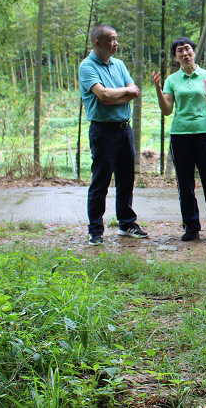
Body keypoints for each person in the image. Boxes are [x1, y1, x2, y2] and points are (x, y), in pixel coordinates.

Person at [151, 37, 206, 242]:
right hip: (180, 135)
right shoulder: (172, 80)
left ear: (194, 52)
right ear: (176, 57)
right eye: (180, 51)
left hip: (204, 134)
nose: (185, 53)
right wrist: (158, 89)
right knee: (185, 183)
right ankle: (191, 227)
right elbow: (167, 110)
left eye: (187, 49)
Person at [79, 24, 147, 246]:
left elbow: (132, 93)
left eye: (116, 39)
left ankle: (126, 224)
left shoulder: (119, 64)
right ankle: (95, 230)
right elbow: (104, 94)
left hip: (124, 129)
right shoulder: (87, 66)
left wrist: (114, 96)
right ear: (98, 43)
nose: (115, 43)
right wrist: (122, 93)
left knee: (126, 178)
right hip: (103, 130)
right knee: (101, 181)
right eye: (111, 39)